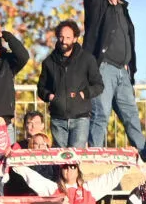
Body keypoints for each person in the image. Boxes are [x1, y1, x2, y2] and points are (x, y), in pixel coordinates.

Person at [83, 0, 146, 160]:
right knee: (101, 113)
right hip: (103, 68)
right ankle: (95, 156)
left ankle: (144, 154)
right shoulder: (98, 6)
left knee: (131, 114)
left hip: (123, 70)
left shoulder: (123, 8)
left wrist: (130, 66)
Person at [37, 19, 102, 149]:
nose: (64, 41)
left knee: (75, 157)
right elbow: (41, 88)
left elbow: (98, 85)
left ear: (75, 39)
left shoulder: (87, 59)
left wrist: (83, 94)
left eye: (68, 37)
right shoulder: (48, 62)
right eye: (61, 37)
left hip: (80, 119)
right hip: (57, 119)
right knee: (60, 158)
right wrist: (50, 97)